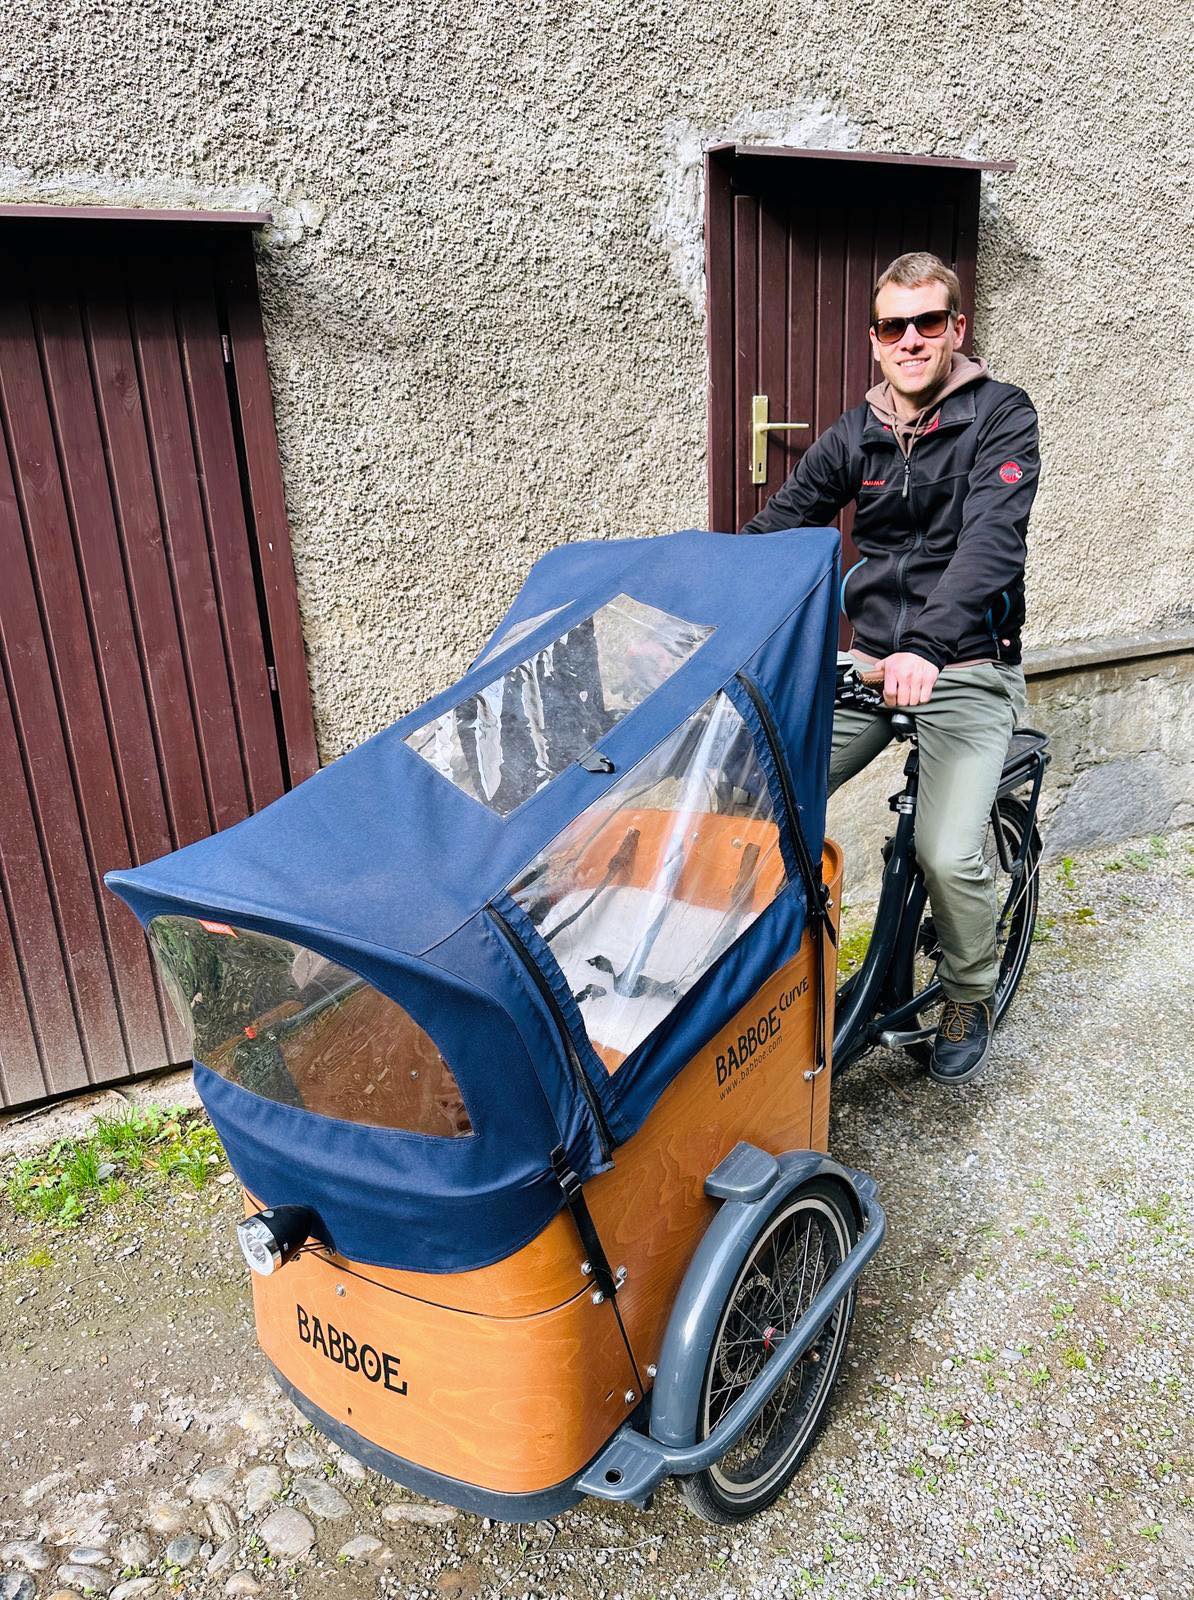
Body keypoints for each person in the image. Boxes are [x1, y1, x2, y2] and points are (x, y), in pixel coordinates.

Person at [741, 250, 1040, 1084]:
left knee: (947, 852)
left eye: (928, 323)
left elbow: (990, 547)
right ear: (875, 338)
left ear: (956, 329)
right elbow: (784, 521)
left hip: (968, 664)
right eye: (893, 326)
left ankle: (969, 990)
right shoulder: (860, 429)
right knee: (758, 798)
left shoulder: (1001, 416)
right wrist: (701, 601)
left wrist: (929, 647)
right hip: (871, 666)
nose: (910, 340)